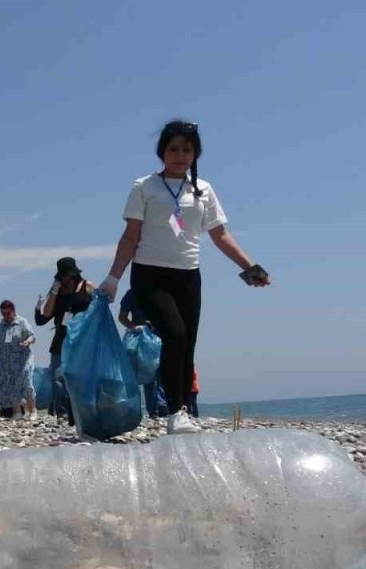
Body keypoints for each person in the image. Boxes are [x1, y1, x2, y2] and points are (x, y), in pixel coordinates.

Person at [99, 119, 270, 434]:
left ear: (195, 154)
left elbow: (220, 235)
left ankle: (184, 411)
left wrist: (250, 267)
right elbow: (130, 236)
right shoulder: (144, 187)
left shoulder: (203, 189)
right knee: (174, 335)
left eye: (187, 150)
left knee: (187, 345)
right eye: (173, 149)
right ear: (162, 151)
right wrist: (113, 278)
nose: (180, 155)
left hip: (188, 277)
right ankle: (175, 413)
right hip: (150, 275)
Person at [34, 257, 94, 424]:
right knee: (58, 377)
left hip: (81, 339)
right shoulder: (57, 291)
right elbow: (46, 314)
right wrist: (54, 291)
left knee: (80, 377)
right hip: (61, 337)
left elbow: (97, 308)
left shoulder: (86, 286)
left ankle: (80, 412)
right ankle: (62, 413)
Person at [118, 289, 169, 419]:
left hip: (159, 335)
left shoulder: (162, 292)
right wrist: (133, 326)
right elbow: (122, 316)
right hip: (141, 338)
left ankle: (162, 406)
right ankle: (150, 408)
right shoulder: (132, 293)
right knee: (146, 372)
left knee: (161, 372)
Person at [0, 300, 36, 420]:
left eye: (8, 313)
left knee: (26, 383)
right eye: (3, 314)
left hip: (22, 358)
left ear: (13, 311)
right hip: (4, 360)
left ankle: (33, 409)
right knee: (9, 385)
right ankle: (17, 412)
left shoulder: (22, 322)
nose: (6, 316)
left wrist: (28, 341)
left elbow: (32, 336)